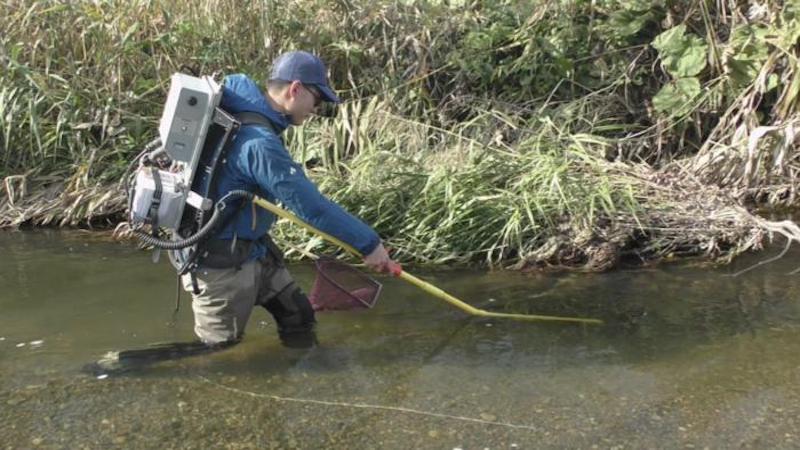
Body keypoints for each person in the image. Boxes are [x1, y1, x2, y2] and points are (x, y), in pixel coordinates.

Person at [181, 51, 399, 348]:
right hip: (222, 264)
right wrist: (370, 245)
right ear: (295, 89)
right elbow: (312, 207)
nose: (316, 108)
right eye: (317, 99)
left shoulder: (252, 118)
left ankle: (307, 372)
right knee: (216, 353)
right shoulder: (259, 143)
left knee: (299, 316)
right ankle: (120, 365)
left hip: (255, 251)